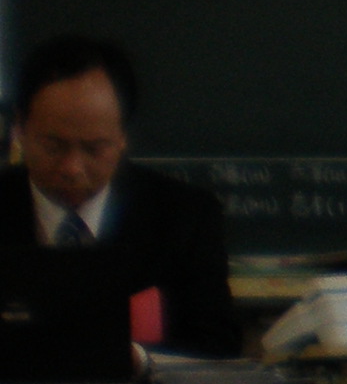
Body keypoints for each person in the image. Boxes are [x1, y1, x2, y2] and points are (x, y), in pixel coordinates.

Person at [2, 34, 240, 357]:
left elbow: (218, 346)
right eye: (53, 146)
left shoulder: (184, 216)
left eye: (94, 148)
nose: (72, 168)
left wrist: (136, 360)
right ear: (19, 127)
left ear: (123, 136)